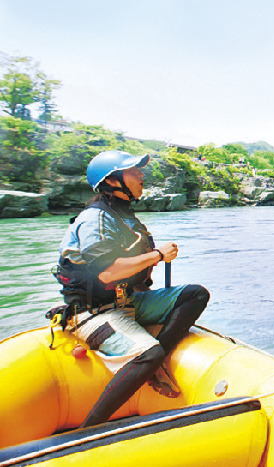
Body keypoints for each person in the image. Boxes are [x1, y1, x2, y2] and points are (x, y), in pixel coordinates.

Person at [53, 150, 210, 427]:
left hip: (127, 303)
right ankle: (88, 428)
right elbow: (107, 272)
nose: (141, 176)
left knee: (195, 294)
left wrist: (152, 259)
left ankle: (154, 364)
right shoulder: (95, 219)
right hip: (93, 312)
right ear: (112, 181)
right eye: (134, 171)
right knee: (148, 353)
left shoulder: (123, 217)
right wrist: (157, 255)